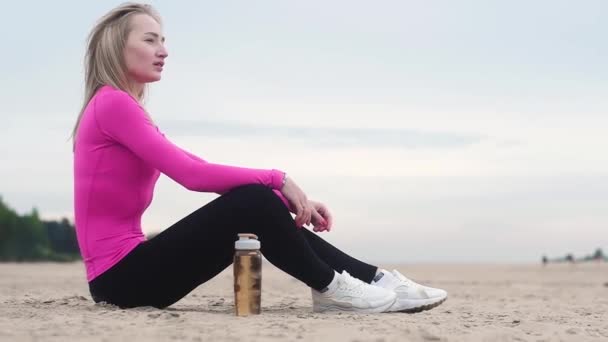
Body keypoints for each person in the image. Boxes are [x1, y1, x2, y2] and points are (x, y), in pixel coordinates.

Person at [70, 2, 448, 313]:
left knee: (254, 202)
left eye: (164, 40)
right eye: (151, 40)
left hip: (130, 274)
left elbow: (199, 168)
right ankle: (334, 286)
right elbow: (193, 175)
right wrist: (277, 178)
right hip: (121, 280)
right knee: (252, 199)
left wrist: (284, 200)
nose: (164, 50)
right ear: (117, 48)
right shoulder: (112, 105)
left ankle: (369, 279)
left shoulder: (123, 110)